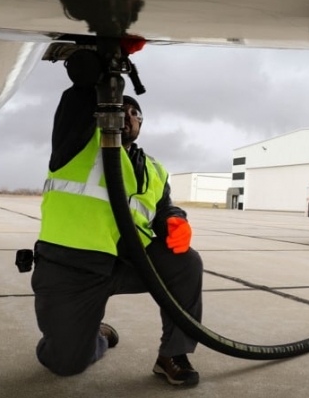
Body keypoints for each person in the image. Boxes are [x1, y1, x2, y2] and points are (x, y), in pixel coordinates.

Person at [31, 49, 204, 386]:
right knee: (65, 363)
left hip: (129, 263)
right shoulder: (76, 142)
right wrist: (99, 67)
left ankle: (173, 354)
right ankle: (92, 335)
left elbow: (164, 206)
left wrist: (176, 219)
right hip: (72, 268)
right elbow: (80, 92)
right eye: (120, 107)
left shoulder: (154, 168)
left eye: (134, 112)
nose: (126, 114)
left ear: (140, 124)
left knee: (186, 263)